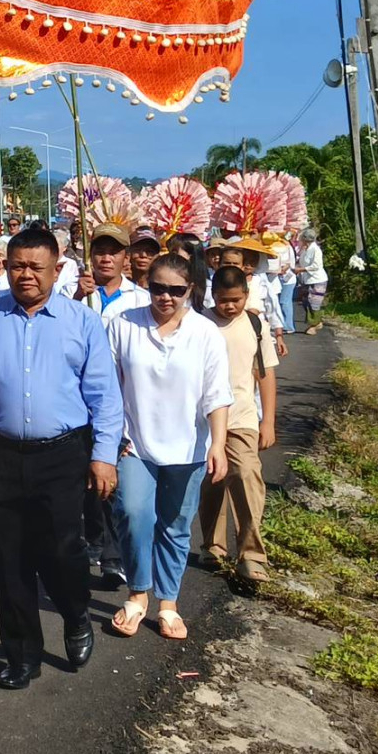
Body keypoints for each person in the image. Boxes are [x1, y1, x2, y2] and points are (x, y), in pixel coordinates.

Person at [0, 225, 125, 689]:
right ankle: (22, 654)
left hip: (62, 455)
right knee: (10, 557)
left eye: (36, 267)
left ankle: (75, 614)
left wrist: (104, 457)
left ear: (57, 270)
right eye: (17, 265)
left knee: (62, 550)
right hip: (0, 454)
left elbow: (104, 395)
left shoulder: (81, 323)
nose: (25, 275)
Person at [103, 252, 232, 641]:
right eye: (158, 288)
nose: (166, 297)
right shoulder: (124, 324)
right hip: (134, 443)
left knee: (176, 524)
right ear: (147, 286)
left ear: (190, 289)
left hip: (187, 445)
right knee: (133, 512)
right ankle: (138, 593)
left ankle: (168, 602)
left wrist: (219, 444)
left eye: (176, 290)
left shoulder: (205, 333)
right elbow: (107, 385)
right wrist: (109, 437)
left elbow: (217, 393)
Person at [197, 264, 279, 583]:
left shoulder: (256, 324)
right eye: (222, 299)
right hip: (204, 419)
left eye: (235, 299)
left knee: (246, 475)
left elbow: (265, 373)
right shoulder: (200, 324)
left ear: (246, 294)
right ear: (212, 296)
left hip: (243, 416)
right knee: (211, 484)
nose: (229, 306)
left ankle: (252, 554)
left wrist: (268, 420)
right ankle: (213, 546)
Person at [80, 224, 146, 588]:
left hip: (118, 400)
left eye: (114, 251)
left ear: (125, 258)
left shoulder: (138, 299)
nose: (106, 257)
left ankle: (113, 555)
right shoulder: (71, 292)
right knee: (83, 478)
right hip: (76, 400)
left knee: (112, 479)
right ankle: (92, 540)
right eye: (100, 250)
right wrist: (76, 295)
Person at [296, 229, 327, 333]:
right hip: (307, 279)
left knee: (314, 302)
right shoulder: (305, 249)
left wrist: (301, 269)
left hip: (317, 279)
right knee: (305, 301)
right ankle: (314, 322)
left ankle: (314, 323)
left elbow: (316, 266)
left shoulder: (315, 250)